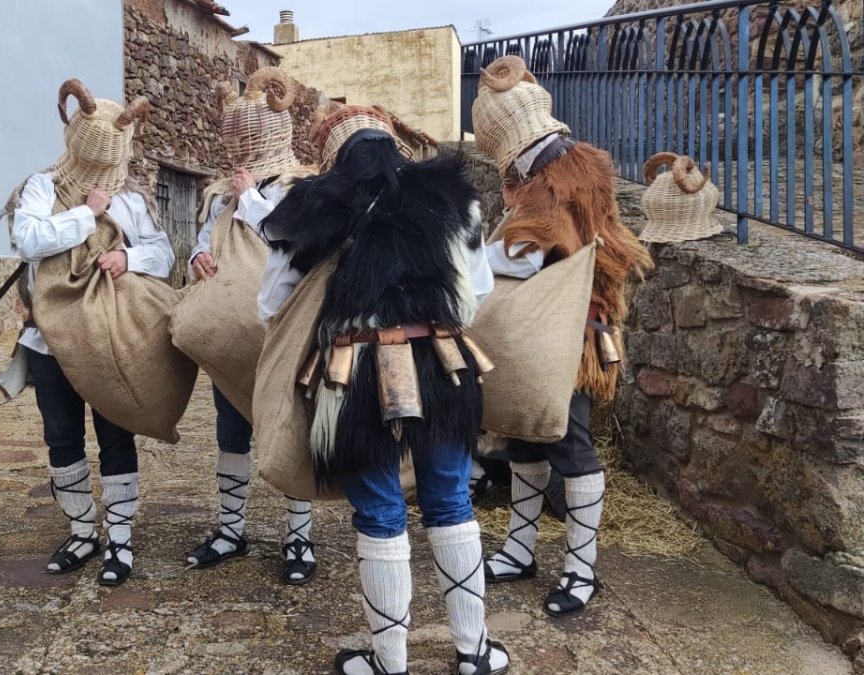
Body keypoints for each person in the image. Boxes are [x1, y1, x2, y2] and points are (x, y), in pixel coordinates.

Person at [260, 128, 508, 675]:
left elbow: (271, 302)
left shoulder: (311, 208)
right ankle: (475, 652)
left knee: (378, 510)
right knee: (450, 502)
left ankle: (389, 661)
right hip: (445, 366)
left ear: (336, 160)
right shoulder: (452, 197)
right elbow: (480, 288)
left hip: (356, 373)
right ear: (399, 151)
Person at [472, 55, 652, 617]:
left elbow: (523, 257)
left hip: (567, 337)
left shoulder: (553, 184)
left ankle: (582, 568)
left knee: (570, 446)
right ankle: (521, 549)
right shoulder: (570, 165)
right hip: (553, 331)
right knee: (526, 438)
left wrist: (469, 258)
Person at [8, 79, 172, 587]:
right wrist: (88, 213)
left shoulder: (133, 201)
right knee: (62, 437)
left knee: (115, 433)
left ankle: (119, 538)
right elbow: (29, 239)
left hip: (109, 337)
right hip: (49, 340)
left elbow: (163, 255)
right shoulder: (42, 187)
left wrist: (129, 256)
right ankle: (83, 530)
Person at [184, 67, 318, 584]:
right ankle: (231, 528)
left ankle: (299, 536)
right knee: (230, 428)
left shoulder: (300, 188)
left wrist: (252, 199)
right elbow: (204, 239)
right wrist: (198, 257)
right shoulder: (219, 197)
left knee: (290, 426)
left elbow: (299, 244)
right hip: (233, 330)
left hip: (286, 330)